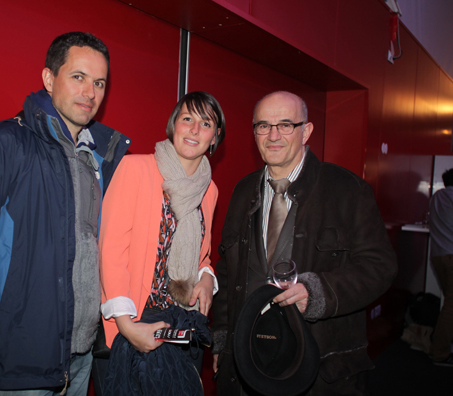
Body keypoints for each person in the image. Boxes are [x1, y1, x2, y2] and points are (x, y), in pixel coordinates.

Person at [0, 32, 130, 396]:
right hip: (16, 367)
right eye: (78, 77)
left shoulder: (103, 158)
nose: (90, 92)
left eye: (99, 82)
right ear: (49, 79)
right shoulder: (2, 144)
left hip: (80, 360)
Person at [211, 91, 397, 395]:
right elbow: (227, 273)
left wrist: (318, 292)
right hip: (249, 361)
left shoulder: (347, 189)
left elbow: (380, 267)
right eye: (263, 126)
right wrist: (222, 340)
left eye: (285, 125)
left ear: (306, 131)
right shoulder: (243, 191)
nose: (273, 135)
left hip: (318, 367)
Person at [94, 91, 225, 394]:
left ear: (215, 137)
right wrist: (128, 326)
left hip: (180, 326)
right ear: (173, 125)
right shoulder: (135, 169)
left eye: (205, 124)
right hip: (135, 323)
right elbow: (111, 252)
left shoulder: (210, 190)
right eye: (187, 119)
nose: (194, 130)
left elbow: (201, 256)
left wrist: (207, 278)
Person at [428, 169, 453, 366]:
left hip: (438, 256)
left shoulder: (437, 197)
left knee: (449, 303)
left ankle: (439, 345)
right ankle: (440, 352)